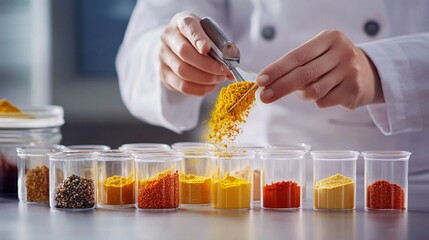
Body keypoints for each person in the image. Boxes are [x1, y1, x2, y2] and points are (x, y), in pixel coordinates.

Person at [116, 1, 429, 209]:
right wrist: (170, 55)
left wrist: (383, 69)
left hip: (396, 194)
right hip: (248, 183)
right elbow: (152, 28)